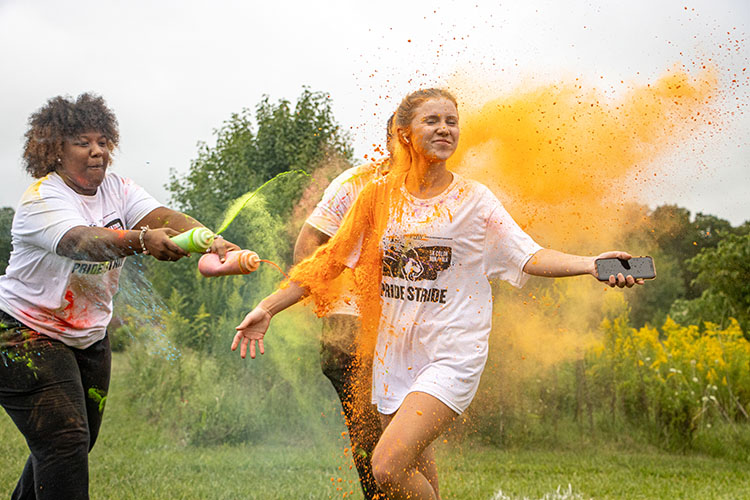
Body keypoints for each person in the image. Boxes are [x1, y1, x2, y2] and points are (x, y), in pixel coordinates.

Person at [231, 88, 644, 500]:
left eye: (451, 121)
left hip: (451, 353)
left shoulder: (474, 200)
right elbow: (327, 262)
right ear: (404, 133)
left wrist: (591, 264)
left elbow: (530, 256)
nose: (445, 128)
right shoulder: (376, 196)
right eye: (432, 121)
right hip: (393, 356)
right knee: (412, 478)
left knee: (386, 466)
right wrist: (268, 308)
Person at [0, 93, 238, 500]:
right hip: (25, 335)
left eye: (103, 142)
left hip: (88, 337)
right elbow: (81, 241)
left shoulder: (118, 189)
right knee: (65, 442)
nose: (97, 152)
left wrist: (211, 240)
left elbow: (163, 217)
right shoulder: (43, 199)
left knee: (74, 442)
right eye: (82, 143)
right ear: (54, 149)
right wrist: (143, 241)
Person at [293, 117, 393, 500]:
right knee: (374, 440)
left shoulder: (432, 189)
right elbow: (309, 242)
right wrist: (323, 299)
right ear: (393, 139)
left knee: (404, 437)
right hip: (350, 327)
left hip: (404, 329)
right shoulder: (356, 183)